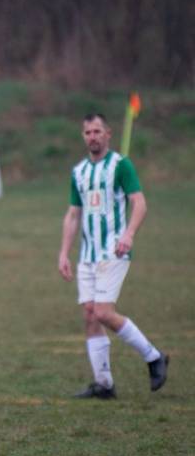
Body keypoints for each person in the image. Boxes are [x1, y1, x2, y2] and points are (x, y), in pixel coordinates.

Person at [58, 113, 169, 399]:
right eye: (87, 133)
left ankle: (154, 356)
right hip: (88, 254)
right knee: (90, 316)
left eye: (97, 131)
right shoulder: (79, 171)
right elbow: (73, 214)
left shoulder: (121, 165)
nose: (92, 137)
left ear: (108, 134)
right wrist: (63, 253)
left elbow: (139, 203)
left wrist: (129, 234)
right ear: (83, 136)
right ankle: (104, 385)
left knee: (103, 312)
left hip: (113, 251)